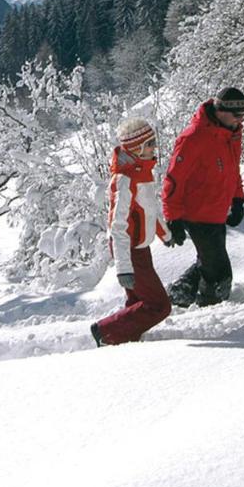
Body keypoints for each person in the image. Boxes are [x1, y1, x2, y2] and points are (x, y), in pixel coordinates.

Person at [161, 87, 244, 308]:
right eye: (237, 115)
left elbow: (232, 170)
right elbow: (173, 179)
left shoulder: (231, 134)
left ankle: (177, 296)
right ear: (220, 110)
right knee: (219, 272)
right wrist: (173, 217)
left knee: (208, 262)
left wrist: (238, 200)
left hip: (217, 212)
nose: (241, 119)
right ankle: (211, 310)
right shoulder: (194, 138)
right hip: (196, 213)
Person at [91, 118, 172, 346]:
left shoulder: (142, 172)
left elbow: (149, 211)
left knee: (138, 302)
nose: (154, 147)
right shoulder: (124, 180)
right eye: (150, 143)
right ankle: (104, 331)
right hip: (128, 249)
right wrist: (124, 268)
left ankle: (122, 341)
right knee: (159, 305)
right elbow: (117, 227)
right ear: (137, 148)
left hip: (140, 247)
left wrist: (164, 234)